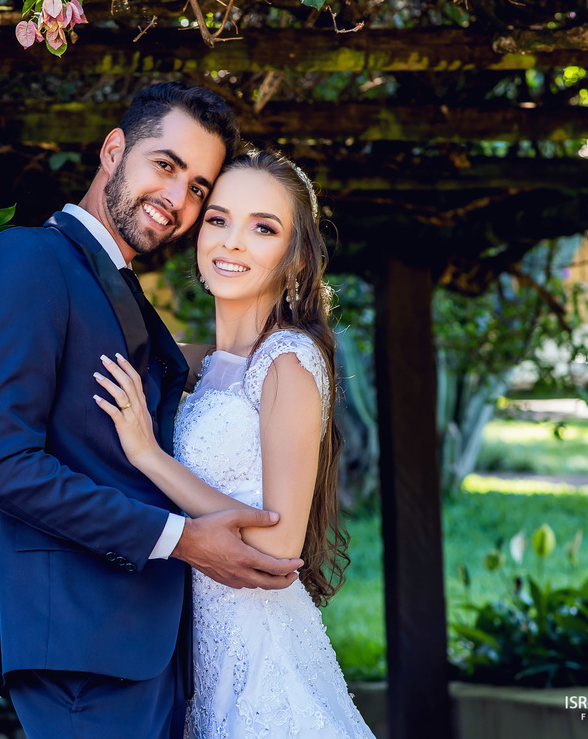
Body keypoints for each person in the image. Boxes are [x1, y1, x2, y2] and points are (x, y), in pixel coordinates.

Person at [0, 84, 304, 739]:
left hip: (147, 649)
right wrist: (179, 538)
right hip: (84, 649)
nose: (178, 199)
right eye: (166, 165)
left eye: (199, 186)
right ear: (114, 150)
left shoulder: (112, 285)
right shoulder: (31, 259)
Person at [93, 149, 376, 738]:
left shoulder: (288, 363)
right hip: (197, 664)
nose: (233, 243)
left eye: (263, 228)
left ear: (296, 257)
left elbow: (276, 546)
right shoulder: (194, 366)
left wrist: (150, 455)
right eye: (219, 220)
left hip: (264, 660)